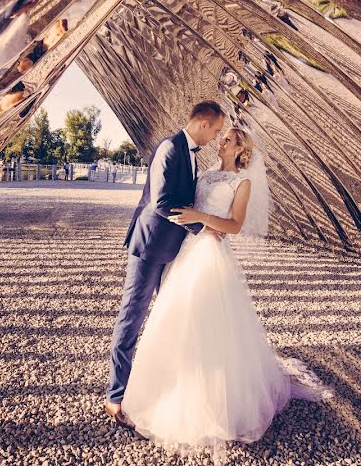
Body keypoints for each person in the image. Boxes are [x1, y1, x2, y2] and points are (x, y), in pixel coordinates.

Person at [118, 126, 331, 457]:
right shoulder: (206, 174)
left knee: (208, 325)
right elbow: (181, 206)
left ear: (239, 149)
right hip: (188, 250)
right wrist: (192, 222)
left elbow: (234, 226)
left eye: (228, 139)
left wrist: (202, 219)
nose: (221, 141)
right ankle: (168, 390)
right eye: (222, 136)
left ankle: (216, 406)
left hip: (211, 257)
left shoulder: (241, 182)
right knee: (175, 320)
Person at [104, 101, 226, 426]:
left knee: (167, 318)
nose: (216, 137)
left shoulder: (191, 154)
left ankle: (156, 386)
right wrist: (202, 228)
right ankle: (115, 397)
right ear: (202, 122)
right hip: (149, 246)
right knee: (132, 318)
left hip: (171, 248)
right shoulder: (170, 148)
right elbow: (161, 202)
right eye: (215, 130)